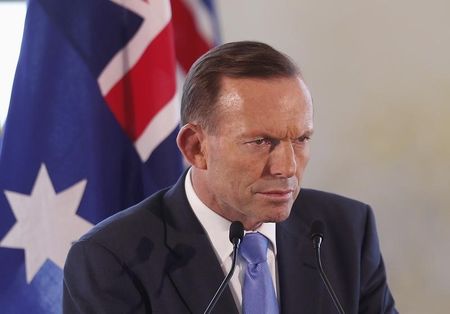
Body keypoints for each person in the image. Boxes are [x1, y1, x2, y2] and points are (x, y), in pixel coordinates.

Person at [63, 41, 398, 313]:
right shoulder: (113, 258)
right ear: (196, 147)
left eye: (301, 139)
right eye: (261, 142)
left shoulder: (346, 230)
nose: (287, 167)